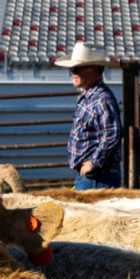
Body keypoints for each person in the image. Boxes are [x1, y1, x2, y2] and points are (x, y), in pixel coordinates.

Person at [55, 42, 123, 190]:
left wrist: (93, 163)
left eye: (76, 68)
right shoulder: (91, 97)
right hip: (93, 176)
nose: (72, 73)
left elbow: (112, 133)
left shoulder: (101, 99)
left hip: (97, 177)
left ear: (92, 70)